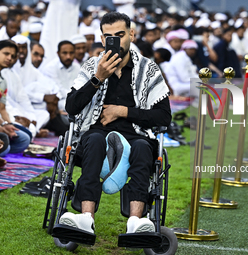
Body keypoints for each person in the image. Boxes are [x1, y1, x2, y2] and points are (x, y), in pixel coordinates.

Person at [60, 12, 171, 234]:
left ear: (131, 34)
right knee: (94, 141)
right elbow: (71, 107)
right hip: (96, 134)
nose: (115, 40)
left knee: (141, 147)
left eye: (120, 35)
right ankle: (86, 218)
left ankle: (135, 222)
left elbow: (163, 117)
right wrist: (98, 77)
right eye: (109, 36)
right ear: (102, 40)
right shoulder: (92, 66)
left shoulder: (148, 69)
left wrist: (123, 111)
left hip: (136, 134)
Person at [0, 40, 30, 157]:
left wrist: (7, 124)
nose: (9, 58)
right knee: (5, 146)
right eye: (6, 54)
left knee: (24, 138)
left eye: (12, 56)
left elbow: (2, 109)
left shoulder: (2, 81)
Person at [42, 40, 80, 112]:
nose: (68, 56)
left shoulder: (77, 67)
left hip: (76, 100)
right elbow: (57, 91)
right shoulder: (50, 68)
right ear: (58, 53)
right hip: (59, 103)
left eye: (71, 53)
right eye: (64, 53)